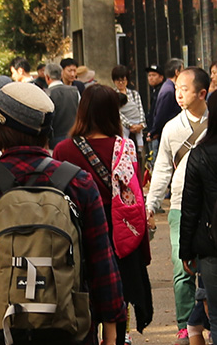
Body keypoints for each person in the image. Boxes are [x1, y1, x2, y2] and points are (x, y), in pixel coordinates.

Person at [0, 82, 126, 345]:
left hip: (4, 323)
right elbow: (102, 260)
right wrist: (111, 329)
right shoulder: (78, 182)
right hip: (69, 324)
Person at [53, 84, 153, 345]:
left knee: (83, 301)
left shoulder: (64, 150)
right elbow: (134, 198)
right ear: (113, 113)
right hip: (120, 237)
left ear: (82, 111)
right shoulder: (126, 147)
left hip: (80, 236)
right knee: (116, 300)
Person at [146, 67, 210, 345]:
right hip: (181, 206)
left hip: (210, 206)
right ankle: (185, 325)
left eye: (185, 89)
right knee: (182, 267)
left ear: (202, 93)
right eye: (178, 89)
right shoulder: (172, 127)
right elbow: (161, 170)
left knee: (209, 267)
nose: (179, 94)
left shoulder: (214, 122)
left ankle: (205, 319)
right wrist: (151, 205)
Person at [180, 91, 217, 344]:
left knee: (215, 315)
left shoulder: (200, 153)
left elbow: (190, 208)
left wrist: (186, 251)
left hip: (211, 245)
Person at [147, 58, 184, 143]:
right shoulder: (168, 90)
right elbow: (161, 114)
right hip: (169, 134)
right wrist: (155, 131)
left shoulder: (170, 87)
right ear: (177, 72)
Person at [44, 63, 80, 150]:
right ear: (61, 75)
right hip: (74, 137)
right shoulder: (75, 91)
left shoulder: (46, 94)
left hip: (54, 140)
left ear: (47, 77)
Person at [111, 65, 146, 153]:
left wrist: (141, 124)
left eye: (123, 80)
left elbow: (140, 109)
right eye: (118, 80)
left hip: (137, 126)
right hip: (123, 128)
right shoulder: (112, 95)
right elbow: (117, 113)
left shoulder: (134, 94)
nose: (121, 83)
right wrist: (130, 125)